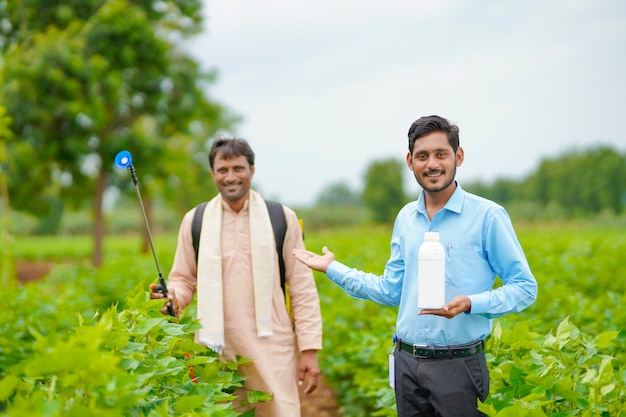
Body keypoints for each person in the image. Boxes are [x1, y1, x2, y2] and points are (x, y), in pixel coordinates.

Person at [293, 115, 538, 417]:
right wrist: (333, 268)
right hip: (406, 363)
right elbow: (392, 290)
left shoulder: (487, 216)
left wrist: (470, 303)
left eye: (441, 154)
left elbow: (525, 288)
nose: (432, 164)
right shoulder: (406, 218)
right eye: (422, 156)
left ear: (458, 156)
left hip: (458, 365)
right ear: (410, 161)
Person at [152, 137, 323, 417]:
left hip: (271, 347)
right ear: (213, 173)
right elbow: (183, 280)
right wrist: (171, 297)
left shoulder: (281, 218)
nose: (230, 177)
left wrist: (309, 349)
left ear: (251, 170)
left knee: (278, 411)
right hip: (214, 347)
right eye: (223, 170)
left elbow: (302, 288)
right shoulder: (195, 220)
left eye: (238, 168)